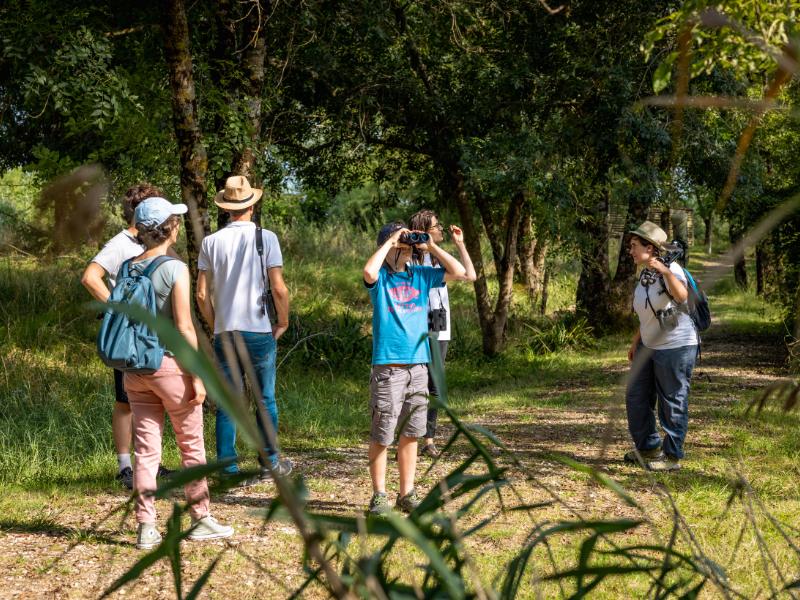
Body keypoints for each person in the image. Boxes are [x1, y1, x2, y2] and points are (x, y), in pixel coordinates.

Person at [124, 197, 233, 549]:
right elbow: (185, 328)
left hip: (135, 369)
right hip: (170, 367)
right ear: (170, 228)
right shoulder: (173, 268)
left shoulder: (128, 267)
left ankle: (145, 526)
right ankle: (201, 519)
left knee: (146, 451)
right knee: (191, 448)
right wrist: (197, 376)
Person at [363, 222, 467, 515]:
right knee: (382, 433)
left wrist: (430, 246)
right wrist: (390, 242)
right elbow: (369, 272)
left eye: (409, 244)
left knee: (412, 432)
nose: (407, 249)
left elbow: (459, 272)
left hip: (418, 366)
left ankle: (406, 493)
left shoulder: (421, 275)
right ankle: (379, 495)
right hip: (389, 367)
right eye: (403, 244)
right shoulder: (381, 278)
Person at [196, 175, 292, 484]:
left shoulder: (210, 242)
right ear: (252, 205)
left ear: (226, 209)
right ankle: (270, 462)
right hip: (258, 329)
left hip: (227, 331)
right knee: (265, 399)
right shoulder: (267, 238)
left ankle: (227, 468)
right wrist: (283, 321)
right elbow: (278, 289)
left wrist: (216, 326)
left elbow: (200, 294)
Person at [81, 184, 173, 489]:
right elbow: (90, 276)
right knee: (125, 401)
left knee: (152, 398)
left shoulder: (153, 239)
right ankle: (124, 467)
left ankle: (151, 463)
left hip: (154, 334)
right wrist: (117, 311)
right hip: (130, 336)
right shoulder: (120, 243)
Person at [625, 221, 698, 472]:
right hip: (649, 344)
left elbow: (682, 297)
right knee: (636, 395)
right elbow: (647, 312)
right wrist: (636, 342)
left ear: (651, 248)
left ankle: (672, 457)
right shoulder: (645, 273)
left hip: (675, 345)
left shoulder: (672, 269)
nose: (631, 250)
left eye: (635, 246)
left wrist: (665, 272)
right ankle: (647, 448)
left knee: (672, 399)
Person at [408, 210, 476, 458]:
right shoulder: (409, 259)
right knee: (413, 384)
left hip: (439, 325)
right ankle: (408, 440)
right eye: (437, 226)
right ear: (425, 230)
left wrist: (459, 245)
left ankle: (429, 440)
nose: (441, 229)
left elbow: (470, 275)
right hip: (415, 326)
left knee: (434, 384)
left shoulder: (439, 259)